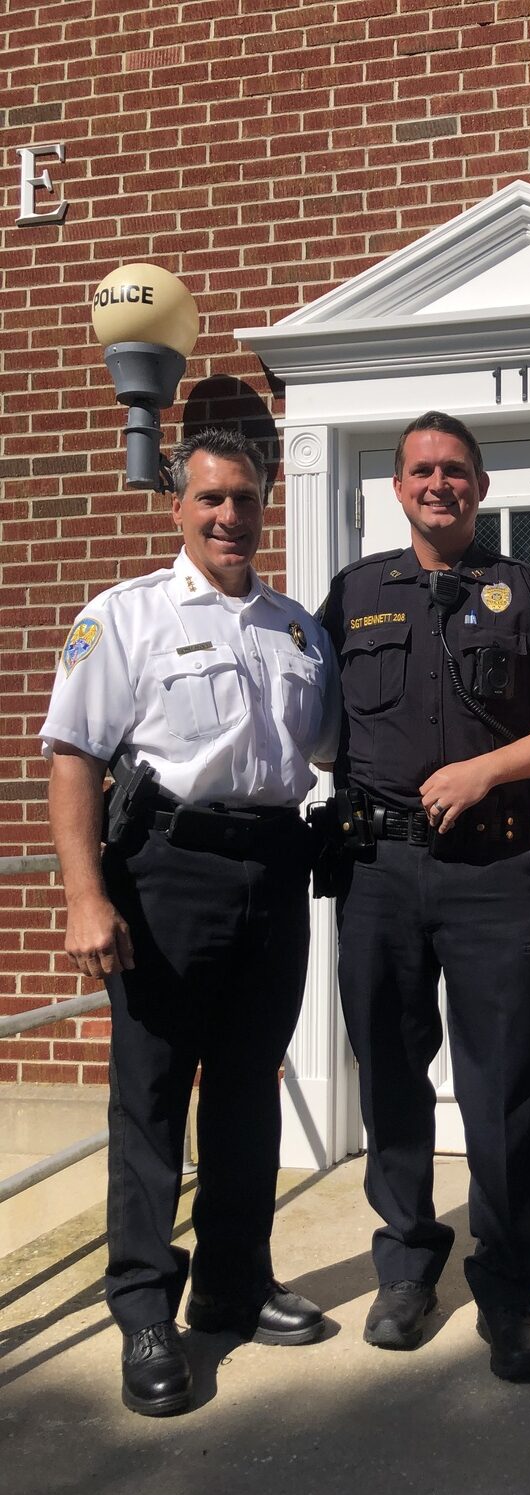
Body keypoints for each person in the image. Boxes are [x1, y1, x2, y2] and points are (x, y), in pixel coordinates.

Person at [41, 428, 340, 1418]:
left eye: (245, 500)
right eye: (210, 499)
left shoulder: (297, 630)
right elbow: (75, 756)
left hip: (274, 870)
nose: (229, 517)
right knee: (154, 1095)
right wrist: (86, 895)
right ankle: (141, 1308)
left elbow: (331, 749)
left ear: (263, 506)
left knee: (250, 1087)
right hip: (166, 872)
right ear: (177, 506)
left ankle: (232, 1283)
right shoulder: (124, 617)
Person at [319, 411, 530, 1382]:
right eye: (421, 471)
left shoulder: (525, 593)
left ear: (479, 488)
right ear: (399, 489)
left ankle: (511, 1292)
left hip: (491, 874)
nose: (439, 484)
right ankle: (405, 1268)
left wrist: (483, 773)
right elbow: (310, 719)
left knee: (506, 1090)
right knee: (390, 1074)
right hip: (378, 876)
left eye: (456, 471)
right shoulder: (352, 595)